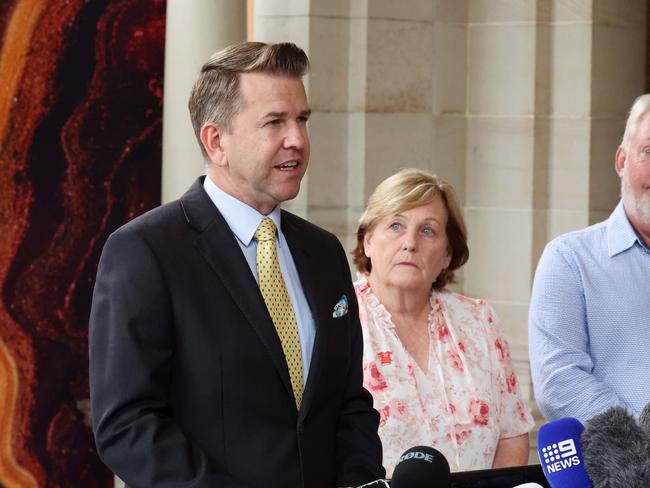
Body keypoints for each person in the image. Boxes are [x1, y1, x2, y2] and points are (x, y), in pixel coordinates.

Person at [89, 41, 384, 488]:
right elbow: (127, 425)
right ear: (216, 141)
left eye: (302, 119)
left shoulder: (324, 252)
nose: (298, 140)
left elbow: (349, 404)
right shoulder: (146, 251)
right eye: (274, 122)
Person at [351, 169, 534, 476]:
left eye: (428, 231)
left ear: (448, 253)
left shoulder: (479, 321)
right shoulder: (336, 320)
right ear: (368, 240)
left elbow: (511, 434)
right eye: (395, 225)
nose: (409, 243)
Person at [529, 94, 650, 423]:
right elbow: (560, 383)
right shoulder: (570, 262)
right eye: (649, 152)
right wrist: (642, 438)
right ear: (621, 162)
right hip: (621, 470)